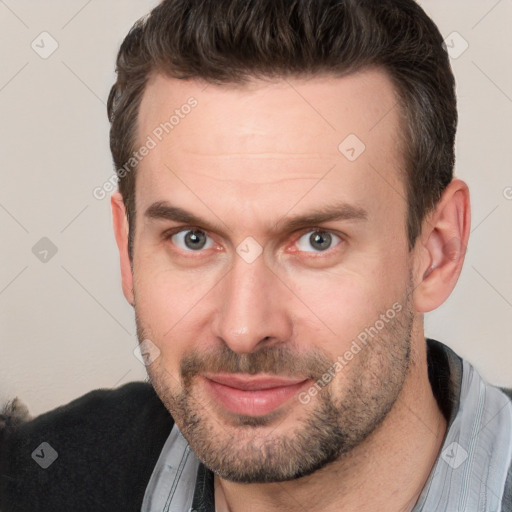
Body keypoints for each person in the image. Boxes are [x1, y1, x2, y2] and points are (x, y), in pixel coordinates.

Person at [1, 0, 511, 510]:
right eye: (192, 239)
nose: (243, 329)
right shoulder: (32, 481)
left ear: (438, 250)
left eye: (317, 240)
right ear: (128, 248)